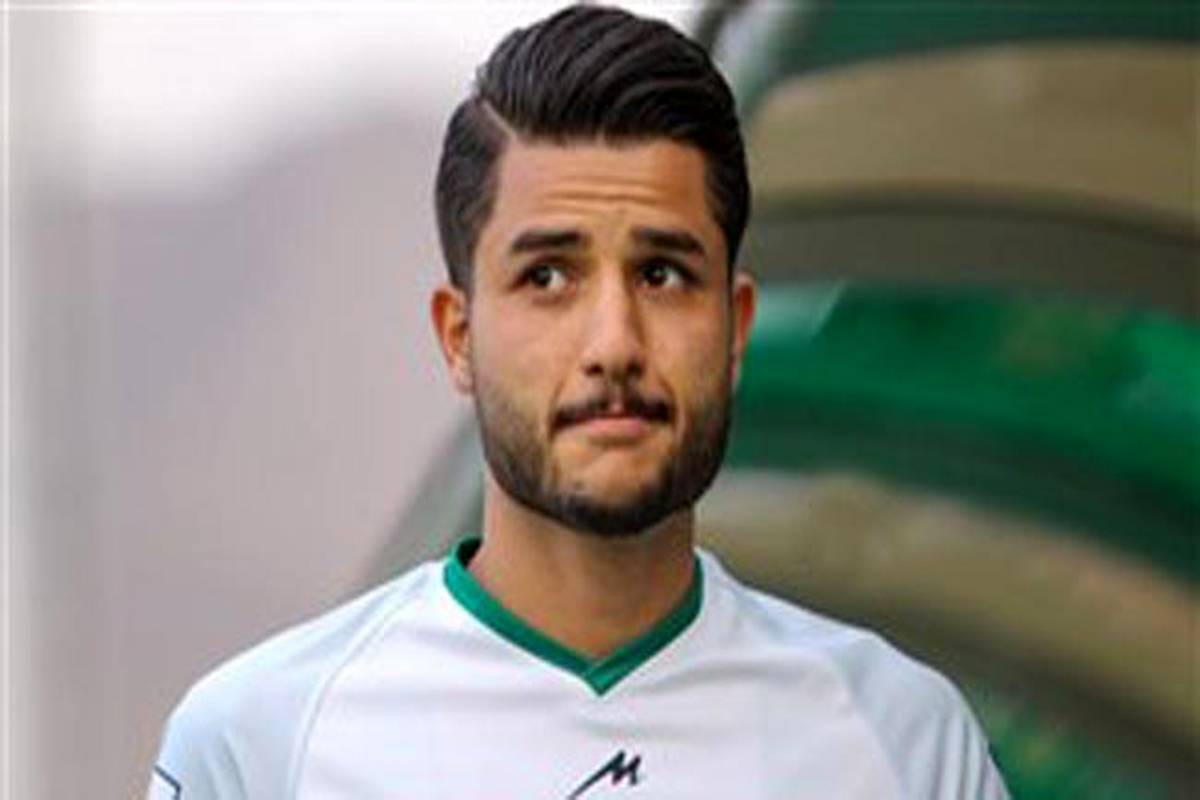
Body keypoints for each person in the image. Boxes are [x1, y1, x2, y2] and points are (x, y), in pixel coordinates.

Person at [147, 5, 1010, 798]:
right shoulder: (258, 748)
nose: (614, 344)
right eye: (549, 277)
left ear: (736, 326)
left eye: (662, 274)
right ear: (458, 336)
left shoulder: (900, 741)